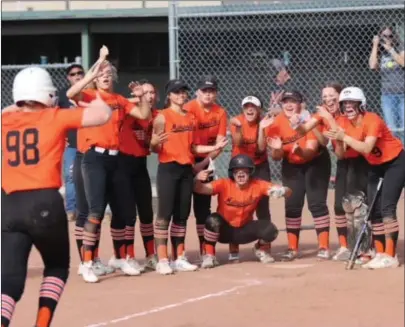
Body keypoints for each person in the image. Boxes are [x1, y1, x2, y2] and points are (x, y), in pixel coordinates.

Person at [1, 66, 112, 327]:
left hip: (8, 205)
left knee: (9, 279)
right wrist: (93, 92)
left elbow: (7, 110)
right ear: (47, 94)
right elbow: (103, 115)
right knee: (56, 267)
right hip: (44, 201)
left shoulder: (6, 120)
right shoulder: (55, 117)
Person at [67, 46, 151, 282]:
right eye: (100, 74)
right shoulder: (90, 96)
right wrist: (93, 72)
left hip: (116, 158)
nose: (104, 77)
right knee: (94, 211)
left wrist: (142, 96)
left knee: (123, 210)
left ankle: (121, 257)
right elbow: (71, 94)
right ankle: (86, 263)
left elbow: (144, 115)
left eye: (107, 74)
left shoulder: (119, 99)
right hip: (94, 157)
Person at [150, 79, 228, 275]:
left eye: (184, 91)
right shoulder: (162, 116)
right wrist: (153, 143)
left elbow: (193, 148)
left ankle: (179, 257)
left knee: (181, 216)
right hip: (168, 168)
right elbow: (154, 146)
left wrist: (213, 147)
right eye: (176, 92)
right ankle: (162, 259)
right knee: (164, 215)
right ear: (169, 95)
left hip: (186, 169)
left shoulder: (190, 118)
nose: (181, 95)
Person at [324, 86, 405, 269]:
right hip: (375, 166)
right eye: (345, 104)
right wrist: (338, 140)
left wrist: (344, 136)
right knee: (373, 210)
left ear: (361, 104)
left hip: (395, 162)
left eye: (352, 103)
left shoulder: (372, 119)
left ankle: (391, 256)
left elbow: (366, 148)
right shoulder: (343, 123)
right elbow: (341, 155)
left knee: (387, 207)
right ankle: (380, 251)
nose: (348, 107)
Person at [291, 82, 370, 261]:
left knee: (358, 206)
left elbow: (341, 134)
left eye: (331, 95)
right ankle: (345, 246)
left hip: (360, 160)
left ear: (340, 96)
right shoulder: (323, 115)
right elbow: (310, 131)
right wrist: (297, 124)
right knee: (339, 206)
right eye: (324, 96)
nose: (327, 99)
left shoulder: (349, 113)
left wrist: (328, 118)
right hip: (343, 161)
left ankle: (365, 248)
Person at [258, 90, 332, 261]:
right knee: (292, 205)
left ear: (301, 103)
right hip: (292, 165)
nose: (289, 105)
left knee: (317, 204)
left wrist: (299, 150)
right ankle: (292, 248)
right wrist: (277, 149)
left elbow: (311, 151)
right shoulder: (276, 123)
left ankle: (324, 247)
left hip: (315, 163)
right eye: (285, 102)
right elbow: (276, 157)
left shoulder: (309, 119)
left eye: (293, 101)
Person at [193, 154, 291, 268]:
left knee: (271, 230)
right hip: (225, 232)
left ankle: (260, 249)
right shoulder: (224, 184)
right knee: (212, 220)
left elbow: (288, 191)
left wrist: (283, 191)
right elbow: (199, 189)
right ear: (232, 173)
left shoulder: (257, 185)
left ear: (250, 172)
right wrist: (197, 179)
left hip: (244, 231)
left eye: (244, 170)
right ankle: (210, 255)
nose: (240, 173)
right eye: (237, 170)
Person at [110, 79, 160, 272]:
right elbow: (118, 103)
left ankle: (150, 255)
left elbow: (154, 144)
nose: (149, 95)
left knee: (146, 212)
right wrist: (136, 96)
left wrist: (155, 142)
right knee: (127, 213)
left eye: (151, 92)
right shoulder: (128, 110)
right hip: (121, 164)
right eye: (145, 92)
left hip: (140, 165)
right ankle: (126, 256)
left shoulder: (156, 116)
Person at [183, 75, 228, 257]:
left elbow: (219, 145)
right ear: (197, 92)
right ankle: (179, 252)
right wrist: (192, 166)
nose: (208, 95)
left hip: (206, 161)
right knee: (182, 209)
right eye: (204, 91)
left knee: (203, 209)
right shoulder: (188, 109)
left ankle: (205, 250)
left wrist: (201, 164)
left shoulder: (220, 112)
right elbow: (183, 142)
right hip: (185, 159)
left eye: (211, 91)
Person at [228, 95, 274, 263]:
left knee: (263, 207)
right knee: (234, 206)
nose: (250, 109)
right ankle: (233, 249)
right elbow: (238, 143)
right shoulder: (236, 121)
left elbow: (261, 148)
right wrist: (239, 128)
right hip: (239, 166)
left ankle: (263, 248)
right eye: (247, 106)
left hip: (260, 166)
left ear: (259, 109)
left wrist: (262, 128)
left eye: (253, 106)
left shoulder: (265, 122)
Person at [58, 63, 85, 221]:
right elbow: (55, 117)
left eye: (79, 73)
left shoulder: (91, 92)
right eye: (73, 74)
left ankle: (99, 209)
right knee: (70, 177)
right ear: (68, 78)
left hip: (91, 143)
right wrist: (62, 137)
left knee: (94, 177)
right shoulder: (63, 95)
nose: (77, 76)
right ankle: (71, 210)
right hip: (72, 144)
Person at [369, 26, 404, 138]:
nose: (388, 38)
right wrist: (375, 45)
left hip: (402, 94)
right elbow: (372, 65)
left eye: (390, 36)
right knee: (392, 129)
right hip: (387, 96)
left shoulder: (400, 48)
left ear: (394, 37)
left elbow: (403, 62)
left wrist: (390, 49)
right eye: (385, 36)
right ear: (380, 37)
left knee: (404, 128)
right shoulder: (380, 52)